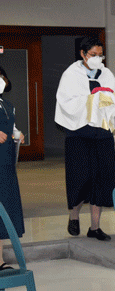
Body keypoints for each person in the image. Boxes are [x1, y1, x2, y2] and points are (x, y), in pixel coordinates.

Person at [55, 37, 115, 241]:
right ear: (83, 54)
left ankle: (95, 226)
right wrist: (92, 99)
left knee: (101, 180)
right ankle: (74, 214)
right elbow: (65, 102)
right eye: (93, 55)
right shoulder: (71, 74)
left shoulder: (107, 74)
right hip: (79, 133)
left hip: (102, 133)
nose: (97, 59)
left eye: (100, 55)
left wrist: (107, 98)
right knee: (81, 178)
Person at [0, 67, 25, 270]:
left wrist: (17, 134)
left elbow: (11, 127)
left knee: (4, 211)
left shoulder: (7, 104)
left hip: (6, 164)